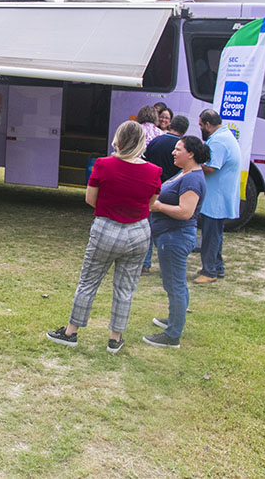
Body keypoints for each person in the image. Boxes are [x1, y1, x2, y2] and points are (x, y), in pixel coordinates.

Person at [46, 121, 161, 354]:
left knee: (88, 281)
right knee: (125, 288)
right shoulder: (154, 171)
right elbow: (150, 204)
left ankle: (71, 332)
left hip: (106, 228)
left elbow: (90, 198)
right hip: (138, 232)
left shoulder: (103, 165)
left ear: (118, 140)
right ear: (141, 142)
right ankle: (115, 338)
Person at [145, 136, 209, 348]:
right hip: (169, 236)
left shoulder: (192, 179)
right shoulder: (185, 173)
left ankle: (172, 335)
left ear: (190, 153)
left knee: (175, 284)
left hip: (175, 237)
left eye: (178, 149)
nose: (173, 152)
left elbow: (185, 212)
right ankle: (174, 320)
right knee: (173, 283)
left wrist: (159, 206)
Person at [196, 109, 241, 284]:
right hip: (220, 195)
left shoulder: (219, 142)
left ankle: (209, 271)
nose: (200, 128)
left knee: (210, 235)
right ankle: (217, 266)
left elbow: (211, 167)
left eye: (201, 125)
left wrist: (191, 166)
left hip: (216, 198)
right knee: (215, 234)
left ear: (208, 124)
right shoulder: (224, 136)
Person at [141, 114, 190, 273]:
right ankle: (167, 266)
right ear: (185, 131)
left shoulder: (156, 141)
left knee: (148, 227)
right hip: (173, 191)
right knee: (169, 230)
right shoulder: (182, 148)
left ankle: (145, 263)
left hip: (152, 189)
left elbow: (146, 162)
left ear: (171, 125)